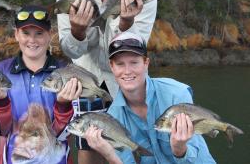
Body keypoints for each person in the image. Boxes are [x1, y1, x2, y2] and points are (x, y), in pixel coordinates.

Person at [57, 0, 158, 163]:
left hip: (127, 76)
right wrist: (77, 30)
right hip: (86, 79)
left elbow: (135, 49)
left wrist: (124, 25)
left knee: (128, 141)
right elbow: (71, 51)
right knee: (87, 145)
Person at [84, 31, 216, 164]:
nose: (127, 71)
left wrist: (179, 149)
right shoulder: (113, 116)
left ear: (146, 63)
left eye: (134, 62)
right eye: (120, 64)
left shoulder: (177, 93)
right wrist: (109, 155)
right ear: (112, 67)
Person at [0, 5, 82, 164]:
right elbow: (0, 129)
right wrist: (0, 102)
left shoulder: (66, 72)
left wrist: (63, 105)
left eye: (39, 33)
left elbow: (67, 132)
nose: (32, 40)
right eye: (25, 33)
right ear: (16, 34)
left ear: (49, 35)